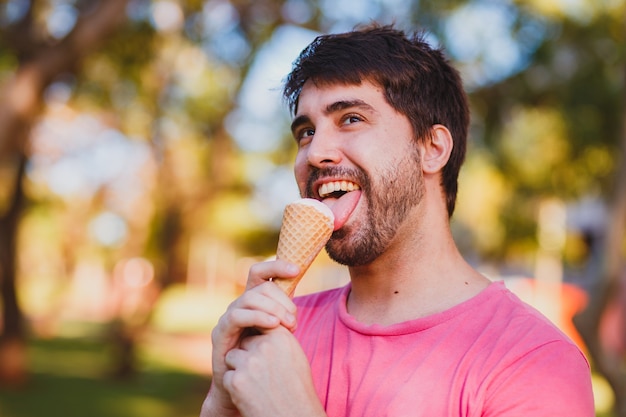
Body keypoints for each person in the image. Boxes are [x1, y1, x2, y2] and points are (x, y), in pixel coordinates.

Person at [200, 24, 595, 417]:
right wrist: (221, 402)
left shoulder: (532, 364)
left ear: (432, 148)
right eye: (305, 131)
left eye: (351, 118)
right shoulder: (276, 334)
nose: (315, 152)